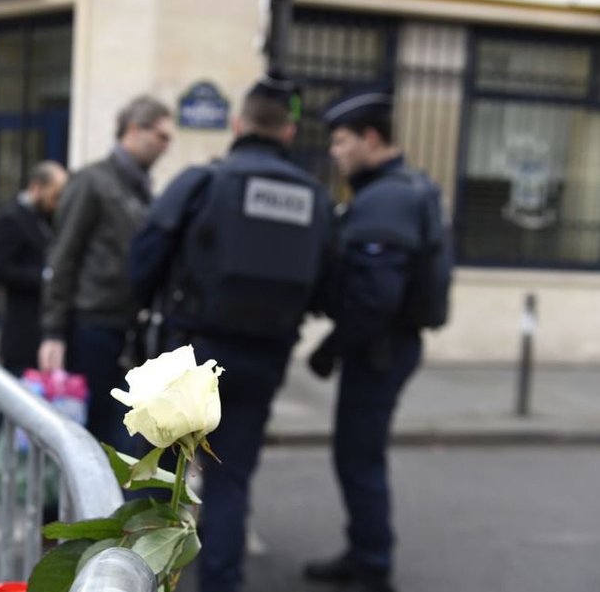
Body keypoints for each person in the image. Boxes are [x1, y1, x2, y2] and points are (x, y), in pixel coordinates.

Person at [129, 72, 334, 592]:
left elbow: (143, 262)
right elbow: (330, 289)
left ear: (239, 124)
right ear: (288, 132)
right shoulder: (315, 200)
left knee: (161, 472)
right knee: (230, 481)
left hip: (190, 359)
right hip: (263, 361)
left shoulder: (202, 183)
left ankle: (139, 576)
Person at [302, 86, 448, 592]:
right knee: (359, 454)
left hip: (379, 347)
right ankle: (364, 550)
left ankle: (372, 565)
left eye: (341, 141)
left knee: (358, 456)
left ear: (370, 138)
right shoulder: (401, 188)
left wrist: (329, 349)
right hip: (385, 343)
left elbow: (375, 298)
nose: (334, 152)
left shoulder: (387, 198)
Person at [38, 95, 173, 452]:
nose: (166, 146)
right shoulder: (92, 181)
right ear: (134, 130)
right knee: (95, 435)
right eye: (161, 136)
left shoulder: (141, 189)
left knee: (122, 435)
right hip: (91, 326)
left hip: (127, 328)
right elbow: (63, 255)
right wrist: (53, 331)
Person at [0, 161, 68, 376]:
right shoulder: (10, 218)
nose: (57, 203)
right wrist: (45, 276)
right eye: (54, 196)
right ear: (36, 188)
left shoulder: (46, 218)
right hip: (22, 330)